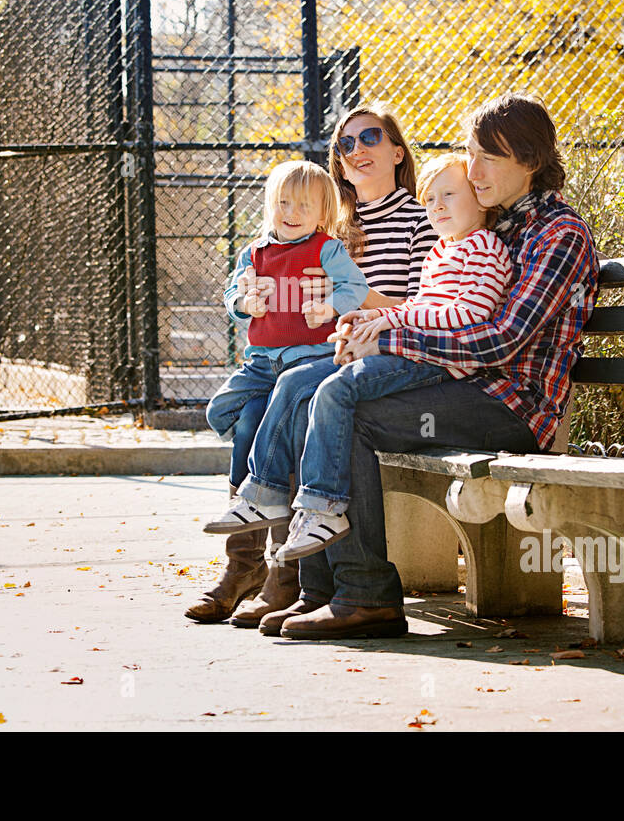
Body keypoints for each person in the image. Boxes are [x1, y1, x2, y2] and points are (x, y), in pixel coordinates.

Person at [262, 92, 600, 640]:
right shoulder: (493, 226)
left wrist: (397, 338)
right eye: (471, 154)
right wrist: (381, 330)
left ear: (532, 162)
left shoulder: (558, 234)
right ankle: (321, 591)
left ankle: (365, 595)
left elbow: (504, 341)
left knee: (346, 408)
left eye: (490, 157)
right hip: (459, 385)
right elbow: (436, 307)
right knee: (314, 396)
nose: (474, 169)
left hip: (511, 404)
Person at [184, 103, 437, 625]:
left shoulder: (419, 217)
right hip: (314, 354)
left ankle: (288, 577)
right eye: (345, 144)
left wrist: (350, 299)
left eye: (370, 137)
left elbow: (420, 303)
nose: (358, 149)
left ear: (397, 150)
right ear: (337, 165)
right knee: (253, 415)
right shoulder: (326, 221)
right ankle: (253, 568)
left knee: (300, 394)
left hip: (370, 356)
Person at [268, 153, 514, 562]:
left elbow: (468, 314)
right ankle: (281, 505)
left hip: (440, 365)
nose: (436, 205)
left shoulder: (485, 248)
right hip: (416, 354)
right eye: (430, 198)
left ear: (481, 200)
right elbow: (418, 309)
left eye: (449, 195)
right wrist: (367, 321)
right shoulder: (440, 254)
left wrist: (388, 320)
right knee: (303, 383)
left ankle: (322, 506)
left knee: (336, 390)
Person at [202, 160, 368, 531]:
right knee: (219, 410)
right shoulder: (254, 254)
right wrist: (245, 305)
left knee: (257, 419)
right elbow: (231, 295)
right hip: (261, 361)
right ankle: (253, 497)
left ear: (322, 214)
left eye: (304, 206)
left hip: (306, 356)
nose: (292, 213)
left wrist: (328, 307)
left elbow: (354, 288)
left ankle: (264, 501)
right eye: (284, 203)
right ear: (270, 206)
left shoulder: (326, 249)